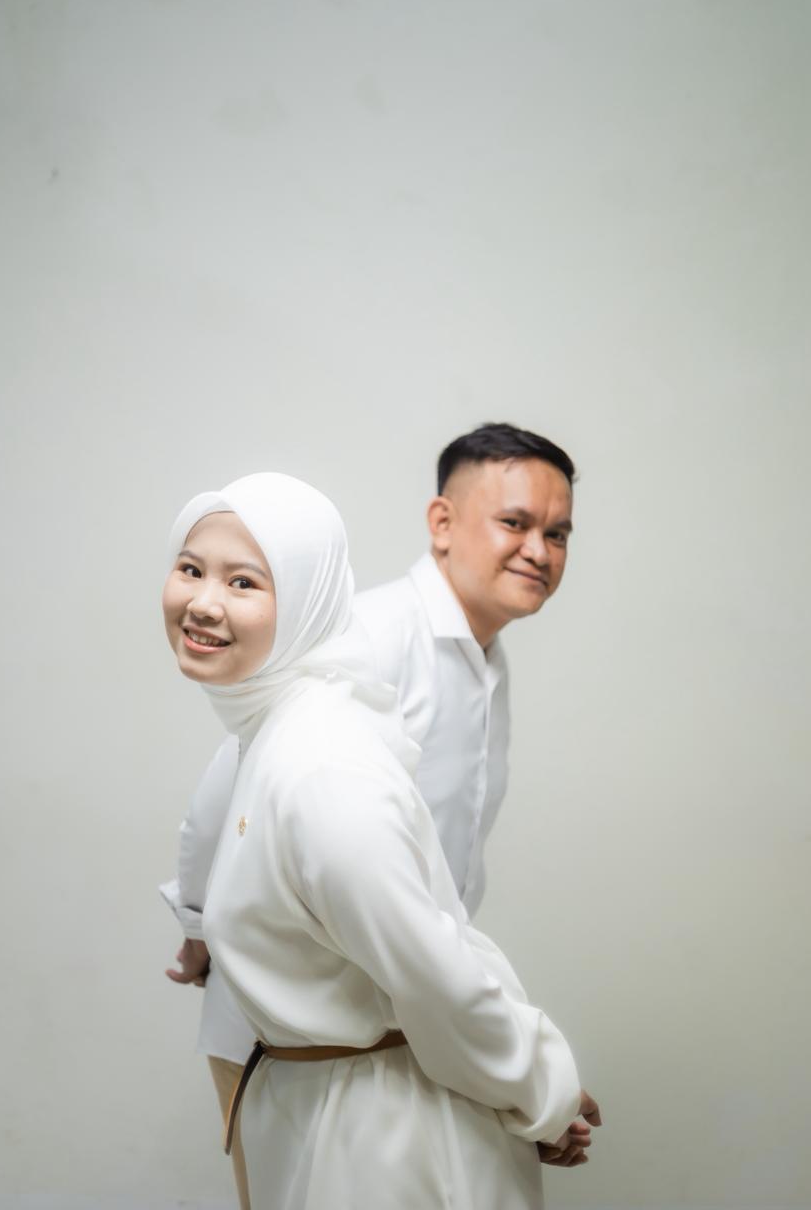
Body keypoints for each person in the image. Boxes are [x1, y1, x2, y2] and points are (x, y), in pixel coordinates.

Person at [161, 424, 600, 1200]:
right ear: (442, 522)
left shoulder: (484, 659)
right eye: (515, 522)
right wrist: (201, 921)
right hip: (328, 1025)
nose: (538, 550)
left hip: (415, 1013)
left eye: (557, 533)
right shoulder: (367, 637)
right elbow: (238, 769)